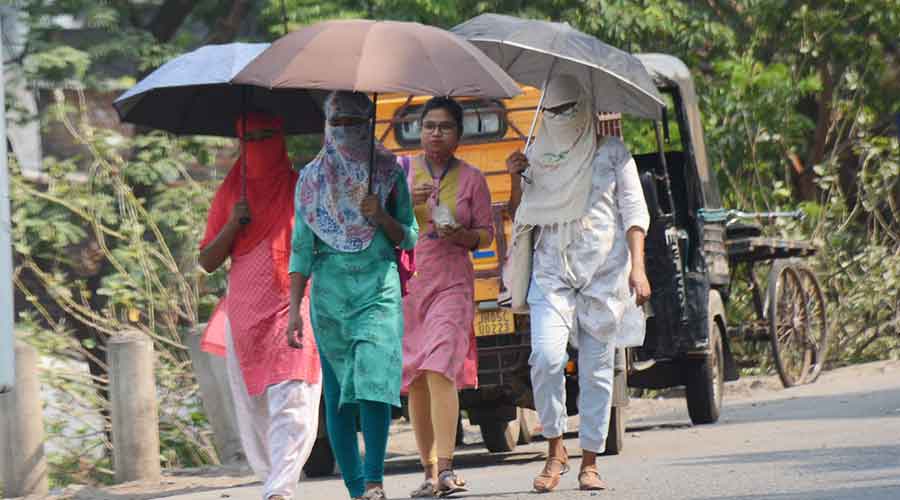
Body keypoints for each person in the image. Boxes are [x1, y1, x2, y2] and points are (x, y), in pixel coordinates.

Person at [505, 74, 651, 492]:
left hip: (604, 276)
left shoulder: (613, 154)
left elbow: (634, 213)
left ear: (585, 109)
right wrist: (516, 176)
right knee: (546, 358)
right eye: (552, 111)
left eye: (569, 109)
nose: (561, 118)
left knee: (598, 370)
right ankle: (555, 449)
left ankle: (590, 460)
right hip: (552, 272)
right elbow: (521, 215)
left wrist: (637, 268)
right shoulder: (536, 155)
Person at [286, 91, 419, 500]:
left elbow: (410, 234)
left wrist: (381, 217)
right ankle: (357, 489)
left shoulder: (390, 172)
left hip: (378, 289)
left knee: (375, 384)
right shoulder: (310, 180)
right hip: (330, 299)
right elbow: (301, 249)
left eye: (353, 121)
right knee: (341, 396)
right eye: (337, 121)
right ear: (328, 124)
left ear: (367, 122)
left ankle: (375, 480)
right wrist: (294, 311)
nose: (345, 129)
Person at [199, 113, 322, 500]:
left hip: (294, 297)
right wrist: (233, 224)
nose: (260, 144)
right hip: (245, 312)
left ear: (281, 137)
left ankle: (279, 489)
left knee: (294, 392)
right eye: (250, 138)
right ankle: (272, 478)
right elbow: (206, 260)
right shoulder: (230, 194)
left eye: (267, 135)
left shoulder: (303, 187)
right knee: (254, 405)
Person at [401, 97, 494, 497]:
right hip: (410, 281)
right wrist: (408, 201)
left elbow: (486, 234)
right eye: (429, 126)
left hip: (453, 280)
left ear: (459, 135)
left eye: (445, 126)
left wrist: (464, 236)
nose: (435, 133)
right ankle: (427, 471)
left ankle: (447, 469)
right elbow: (378, 222)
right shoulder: (400, 171)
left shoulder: (472, 178)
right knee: (418, 378)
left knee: (440, 367)